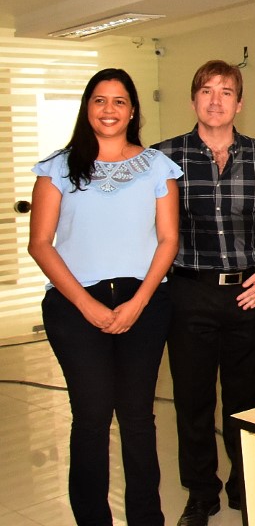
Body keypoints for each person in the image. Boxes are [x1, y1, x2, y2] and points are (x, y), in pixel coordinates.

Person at [27, 68, 180, 526]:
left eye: (118, 101)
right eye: (99, 100)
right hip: (75, 307)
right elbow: (40, 243)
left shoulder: (157, 166)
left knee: (137, 417)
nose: (109, 109)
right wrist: (87, 304)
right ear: (87, 107)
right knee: (91, 417)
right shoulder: (57, 167)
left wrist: (138, 303)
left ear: (133, 110)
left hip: (145, 303)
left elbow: (168, 240)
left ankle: (146, 518)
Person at [153, 60, 255, 526]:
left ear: (240, 103)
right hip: (189, 294)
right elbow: (152, 231)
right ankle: (201, 494)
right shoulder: (163, 157)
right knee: (193, 400)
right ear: (193, 100)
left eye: (226, 92)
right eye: (206, 91)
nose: (216, 99)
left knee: (246, 398)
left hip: (249, 293)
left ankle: (246, 487)